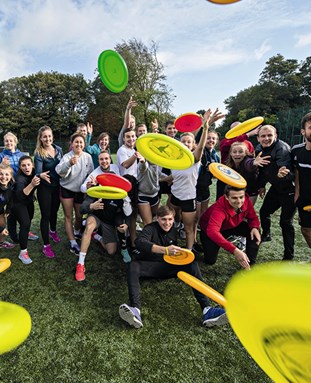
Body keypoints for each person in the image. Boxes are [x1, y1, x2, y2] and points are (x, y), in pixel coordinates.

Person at [119, 205, 228, 329]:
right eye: (164, 219)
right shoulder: (150, 228)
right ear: (157, 219)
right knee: (133, 266)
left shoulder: (173, 229)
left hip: (169, 267)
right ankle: (135, 310)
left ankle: (207, 310)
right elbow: (139, 243)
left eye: (170, 219)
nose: (167, 223)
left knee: (192, 264)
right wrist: (165, 250)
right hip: (151, 268)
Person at [170, 109, 223, 250]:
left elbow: (201, 144)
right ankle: (172, 244)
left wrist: (205, 126)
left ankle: (189, 251)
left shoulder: (195, 158)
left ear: (193, 144)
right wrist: (164, 179)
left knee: (189, 228)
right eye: (183, 141)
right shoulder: (173, 159)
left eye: (189, 142)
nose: (186, 143)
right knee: (174, 223)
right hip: (174, 196)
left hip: (188, 197)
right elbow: (174, 175)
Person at [256, 125, 296, 260]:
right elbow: (262, 170)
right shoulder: (258, 149)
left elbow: (289, 173)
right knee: (264, 211)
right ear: (258, 138)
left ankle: (288, 256)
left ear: (275, 136)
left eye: (269, 135)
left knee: (285, 222)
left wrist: (282, 173)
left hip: (290, 189)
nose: (266, 138)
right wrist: (261, 185)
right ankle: (266, 234)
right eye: (263, 136)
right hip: (276, 188)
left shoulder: (282, 149)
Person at [75, 190, 132, 281]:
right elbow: (82, 209)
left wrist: (126, 225)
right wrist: (91, 206)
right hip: (95, 217)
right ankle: (80, 264)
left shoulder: (121, 194)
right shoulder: (98, 188)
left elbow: (128, 214)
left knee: (111, 251)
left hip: (108, 223)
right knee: (89, 227)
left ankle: (96, 236)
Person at [200, 185, 261, 270]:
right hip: (209, 231)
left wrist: (255, 227)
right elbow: (212, 231)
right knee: (210, 260)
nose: (239, 201)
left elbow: (253, 217)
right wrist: (234, 250)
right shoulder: (219, 209)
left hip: (230, 226)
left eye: (241, 197)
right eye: (234, 198)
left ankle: (250, 263)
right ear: (226, 197)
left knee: (254, 231)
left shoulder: (246, 200)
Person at [56, 133, 94, 255]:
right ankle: (73, 243)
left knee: (79, 216)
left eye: (81, 142)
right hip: (67, 189)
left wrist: (90, 183)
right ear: (71, 144)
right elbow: (59, 172)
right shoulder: (67, 157)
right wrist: (69, 164)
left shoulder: (87, 157)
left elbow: (91, 174)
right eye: (76, 142)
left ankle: (77, 231)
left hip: (80, 190)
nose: (78, 144)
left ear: (84, 144)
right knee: (69, 216)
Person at [0, 132, 38, 242]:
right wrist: (3, 164)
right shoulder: (2, 156)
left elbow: (28, 172)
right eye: (6, 141)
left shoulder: (21, 155)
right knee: (11, 213)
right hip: (9, 190)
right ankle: (13, 235)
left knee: (27, 212)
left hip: (23, 188)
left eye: (11, 140)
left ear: (15, 142)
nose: (9, 143)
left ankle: (26, 231)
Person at [34, 126, 63, 258]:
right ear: (40, 138)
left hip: (57, 187)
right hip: (45, 188)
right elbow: (38, 172)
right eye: (44, 136)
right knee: (45, 215)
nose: (47, 138)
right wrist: (41, 175)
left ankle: (53, 231)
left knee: (54, 212)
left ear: (52, 136)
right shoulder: (39, 153)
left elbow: (63, 165)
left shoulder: (59, 149)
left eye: (49, 136)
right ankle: (46, 245)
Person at [217, 123, 259, 199]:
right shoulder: (225, 142)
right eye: (235, 130)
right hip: (226, 176)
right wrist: (248, 134)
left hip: (243, 176)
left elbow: (251, 159)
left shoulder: (248, 143)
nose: (238, 132)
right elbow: (232, 142)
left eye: (240, 129)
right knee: (222, 202)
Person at [12, 156, 40, 264]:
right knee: (25, 224)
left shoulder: (34, 172)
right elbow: (20, 195)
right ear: (20, 167)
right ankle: (23, 253)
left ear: (32, 165)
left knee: (30, 218)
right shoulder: (19, 178)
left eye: (28, 164)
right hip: (18, 203)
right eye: (23, 165)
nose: (26, 167)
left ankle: (27, 233)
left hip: (28, 201)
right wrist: (32, 185)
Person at [291, 112, 311, 248]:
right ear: (303, 131)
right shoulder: (296, 151)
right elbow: (297, 171)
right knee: (306, 230)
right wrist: (297, 193)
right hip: (305, 199)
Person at [0, 164, 15, 249]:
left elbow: (10, 200)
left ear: (10, 176)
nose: (3, 177)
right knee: (1, 229)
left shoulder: (10, 186)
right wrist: (1, 229)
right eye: (1, 174)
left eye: (6, 174)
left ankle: (1, 243)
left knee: (3, 224)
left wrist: (8, 210)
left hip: (0, 209)